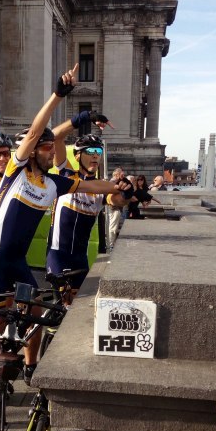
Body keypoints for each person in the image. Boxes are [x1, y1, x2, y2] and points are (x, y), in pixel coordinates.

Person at [0, 63, 133, 384]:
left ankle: (32, 366)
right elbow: (39, 131)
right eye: (46, 148)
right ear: (34, 151)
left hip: (17, 262)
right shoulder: (16, 172)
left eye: (51, 147)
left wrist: (122, 188)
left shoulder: (54, 183)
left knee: (34, 314)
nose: (51, 150)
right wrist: (59, 97)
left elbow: (93, 187)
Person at [46, 126, 134, 303]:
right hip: (58, 254)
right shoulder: (66, 174)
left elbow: (117, 201)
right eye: (90, 151)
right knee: (63, 304)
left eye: (98, 151)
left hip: (80, 257)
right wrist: (81, 119)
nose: (95, 155)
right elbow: (56, 137)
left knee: (78, 305)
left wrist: (127, 193)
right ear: (78, 156)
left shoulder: (102, 188)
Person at [107, 167, 127, 250]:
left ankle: (112, 243)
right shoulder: (113, 182)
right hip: (114, 207)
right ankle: (111, 244)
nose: (123, 176)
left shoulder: (115, 181)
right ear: (117, 174)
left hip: (115, 207)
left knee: (113, 226)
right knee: (113, 227)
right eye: (121, 174)